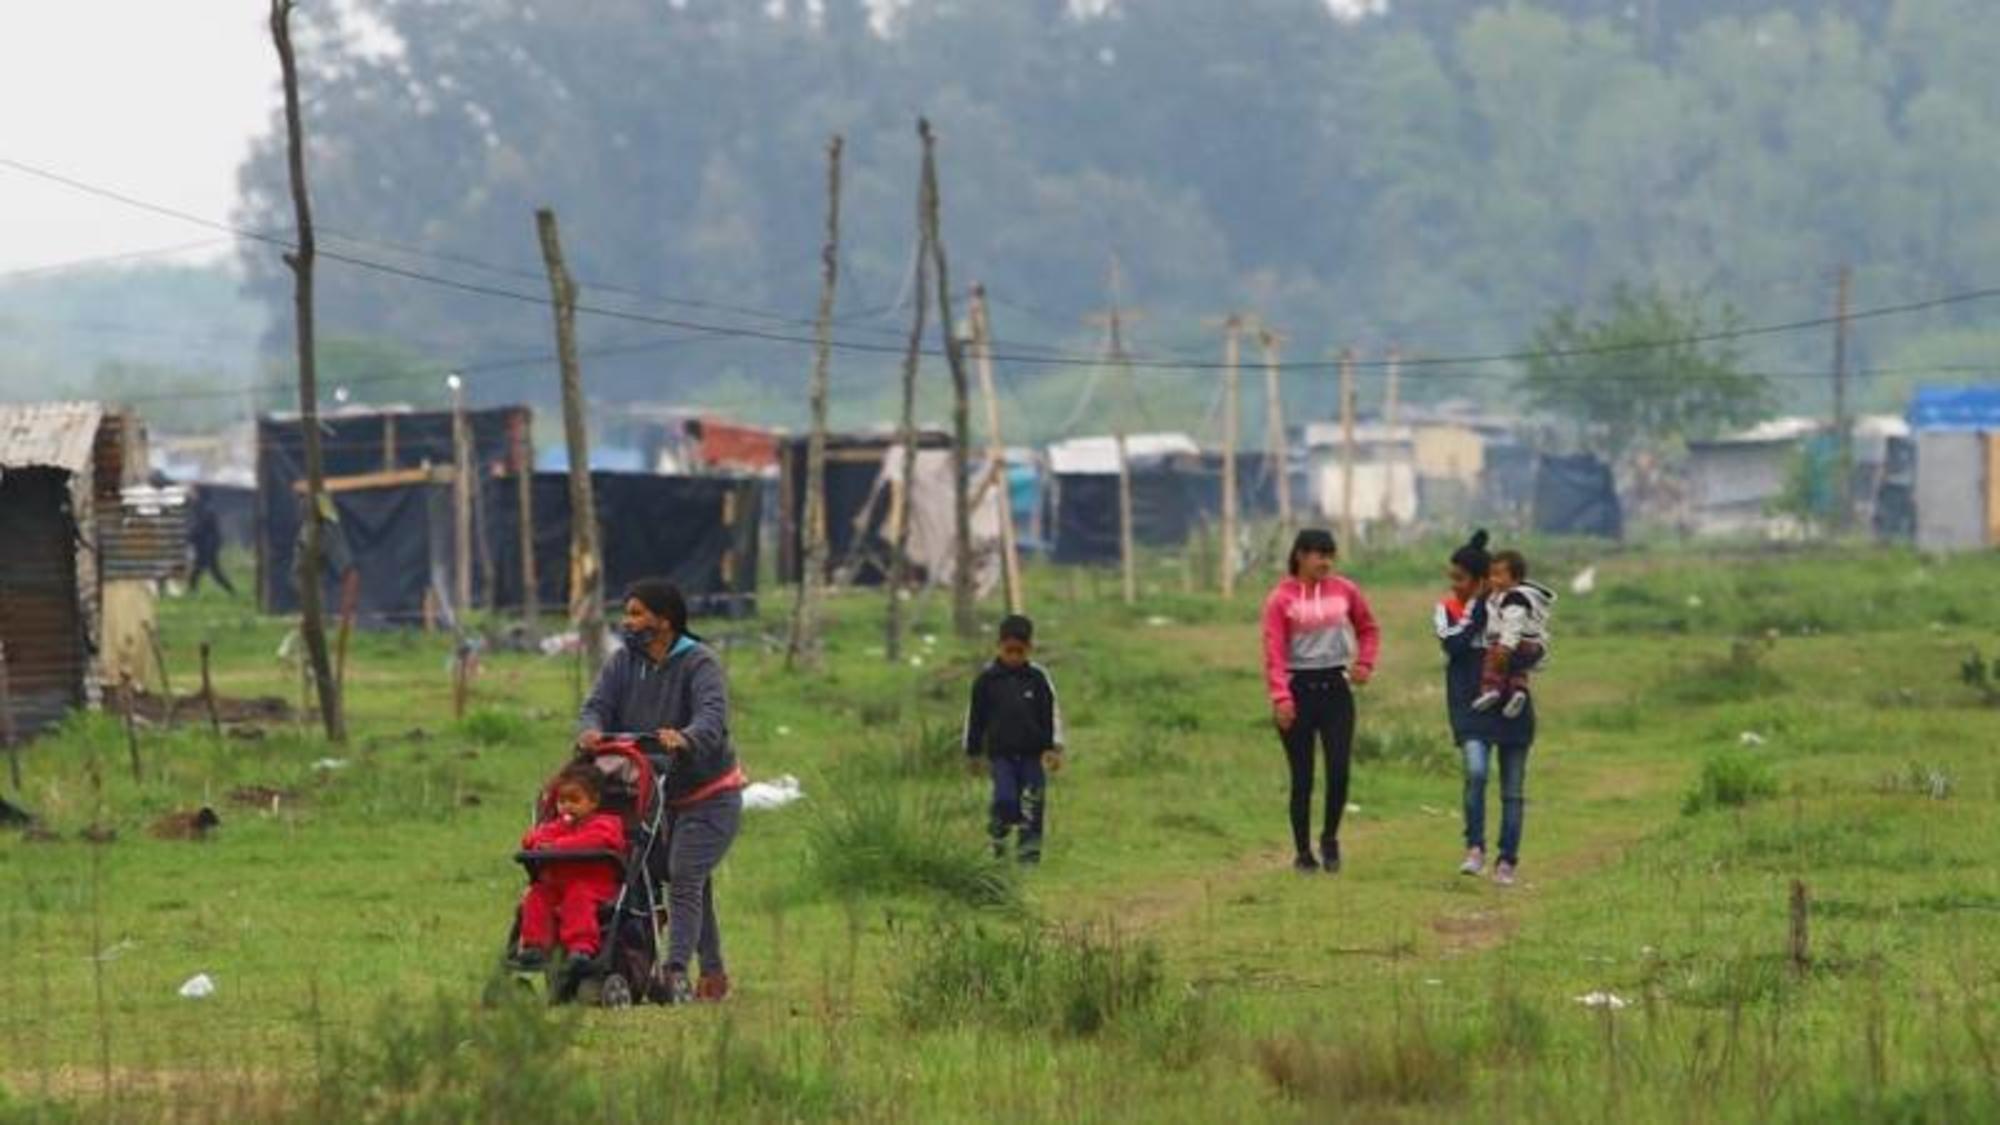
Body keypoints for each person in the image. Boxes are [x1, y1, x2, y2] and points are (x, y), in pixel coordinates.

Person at [577, 579, 745, 1004]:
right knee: (685, 878)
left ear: (664, 621)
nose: (627, 622)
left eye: (636, 614)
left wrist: (686, 738)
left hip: (711, 794)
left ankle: (674, 971)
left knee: (685, 875)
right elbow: (597, 705)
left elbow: (712, 716)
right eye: (627, 613)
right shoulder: (622, 663)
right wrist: (591, 732)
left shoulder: (699, 663)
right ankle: (713, 974)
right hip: (656, 794)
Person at [1261, 528, 1380, 874]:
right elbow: (1274, 651)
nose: (1325, 562)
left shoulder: (1345, 591)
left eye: (1330, 555)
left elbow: (1369, 628)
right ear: (1300, 555)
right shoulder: (1280, 599)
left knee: (1339, 771)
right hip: (1298, 690)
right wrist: (1280, 697)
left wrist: (1365, 662)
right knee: (1303, 777)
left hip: (1336, 689)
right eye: (1318, 555)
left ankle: (1330, 837)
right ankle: (1302, 852)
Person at [1434, 530, 1537, 886]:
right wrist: (1478, 610)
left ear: (1484, 580)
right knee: (1476, 773)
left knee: (1512, 791)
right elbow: (1453, 647)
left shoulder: (1513, 610)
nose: (1453, 586)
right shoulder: (1447, 610)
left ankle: (1507, 860)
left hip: (1511, 708)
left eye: (1461, 579)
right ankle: (1474, 848)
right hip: (1469, 706)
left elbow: (1537, 651)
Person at [963, 614, 1065, 864]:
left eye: (1020, 651)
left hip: (1032, 755)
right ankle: (998, 834)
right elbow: (975, 717)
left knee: (1032, 806)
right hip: (1002, 756)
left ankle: (1028, 858)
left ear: (1029, 649)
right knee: (1005, 799)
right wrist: (973, 752)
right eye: (1009, 651)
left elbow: (1051, 714)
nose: (1014, 657)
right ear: (999, 646)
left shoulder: (1038, 680)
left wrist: (1054, 748)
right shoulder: (987, 681)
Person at [514, 761, 628, 975]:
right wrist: (536, 842)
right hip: (557, 886)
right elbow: (534, 838)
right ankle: (535, 946)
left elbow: (597, 840)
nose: (567, 806)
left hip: (594, 887)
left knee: (578, 895)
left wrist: (557, 846)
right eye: (561, 801)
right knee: (536, 895)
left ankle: (581, 947)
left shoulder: (606, 825)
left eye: (575, 800)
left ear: (593, 802)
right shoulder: (557, 827)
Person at [1471, 549, 1557, 719]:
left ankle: (1492, 690)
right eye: (1491, 575)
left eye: (1498, 575)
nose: (1493, 579)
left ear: (1516, 578)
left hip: (1518, 642)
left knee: (1493, 659)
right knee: (1516, 668)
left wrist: (1506, 646)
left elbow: (1513, 623)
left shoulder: (1514, 598)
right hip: (1532, 646)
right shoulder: (1512, 596)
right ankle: (1518, 692)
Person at [186, 486, 235, 596]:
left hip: (208, 545)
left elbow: (200, 526)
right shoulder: (199, 506)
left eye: (194, 492)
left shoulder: (205, 508)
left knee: (211, 570)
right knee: (199, 570)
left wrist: (190, 536)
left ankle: (231, 591)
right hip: (204, 544)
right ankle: (191, 591)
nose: (191, 494)